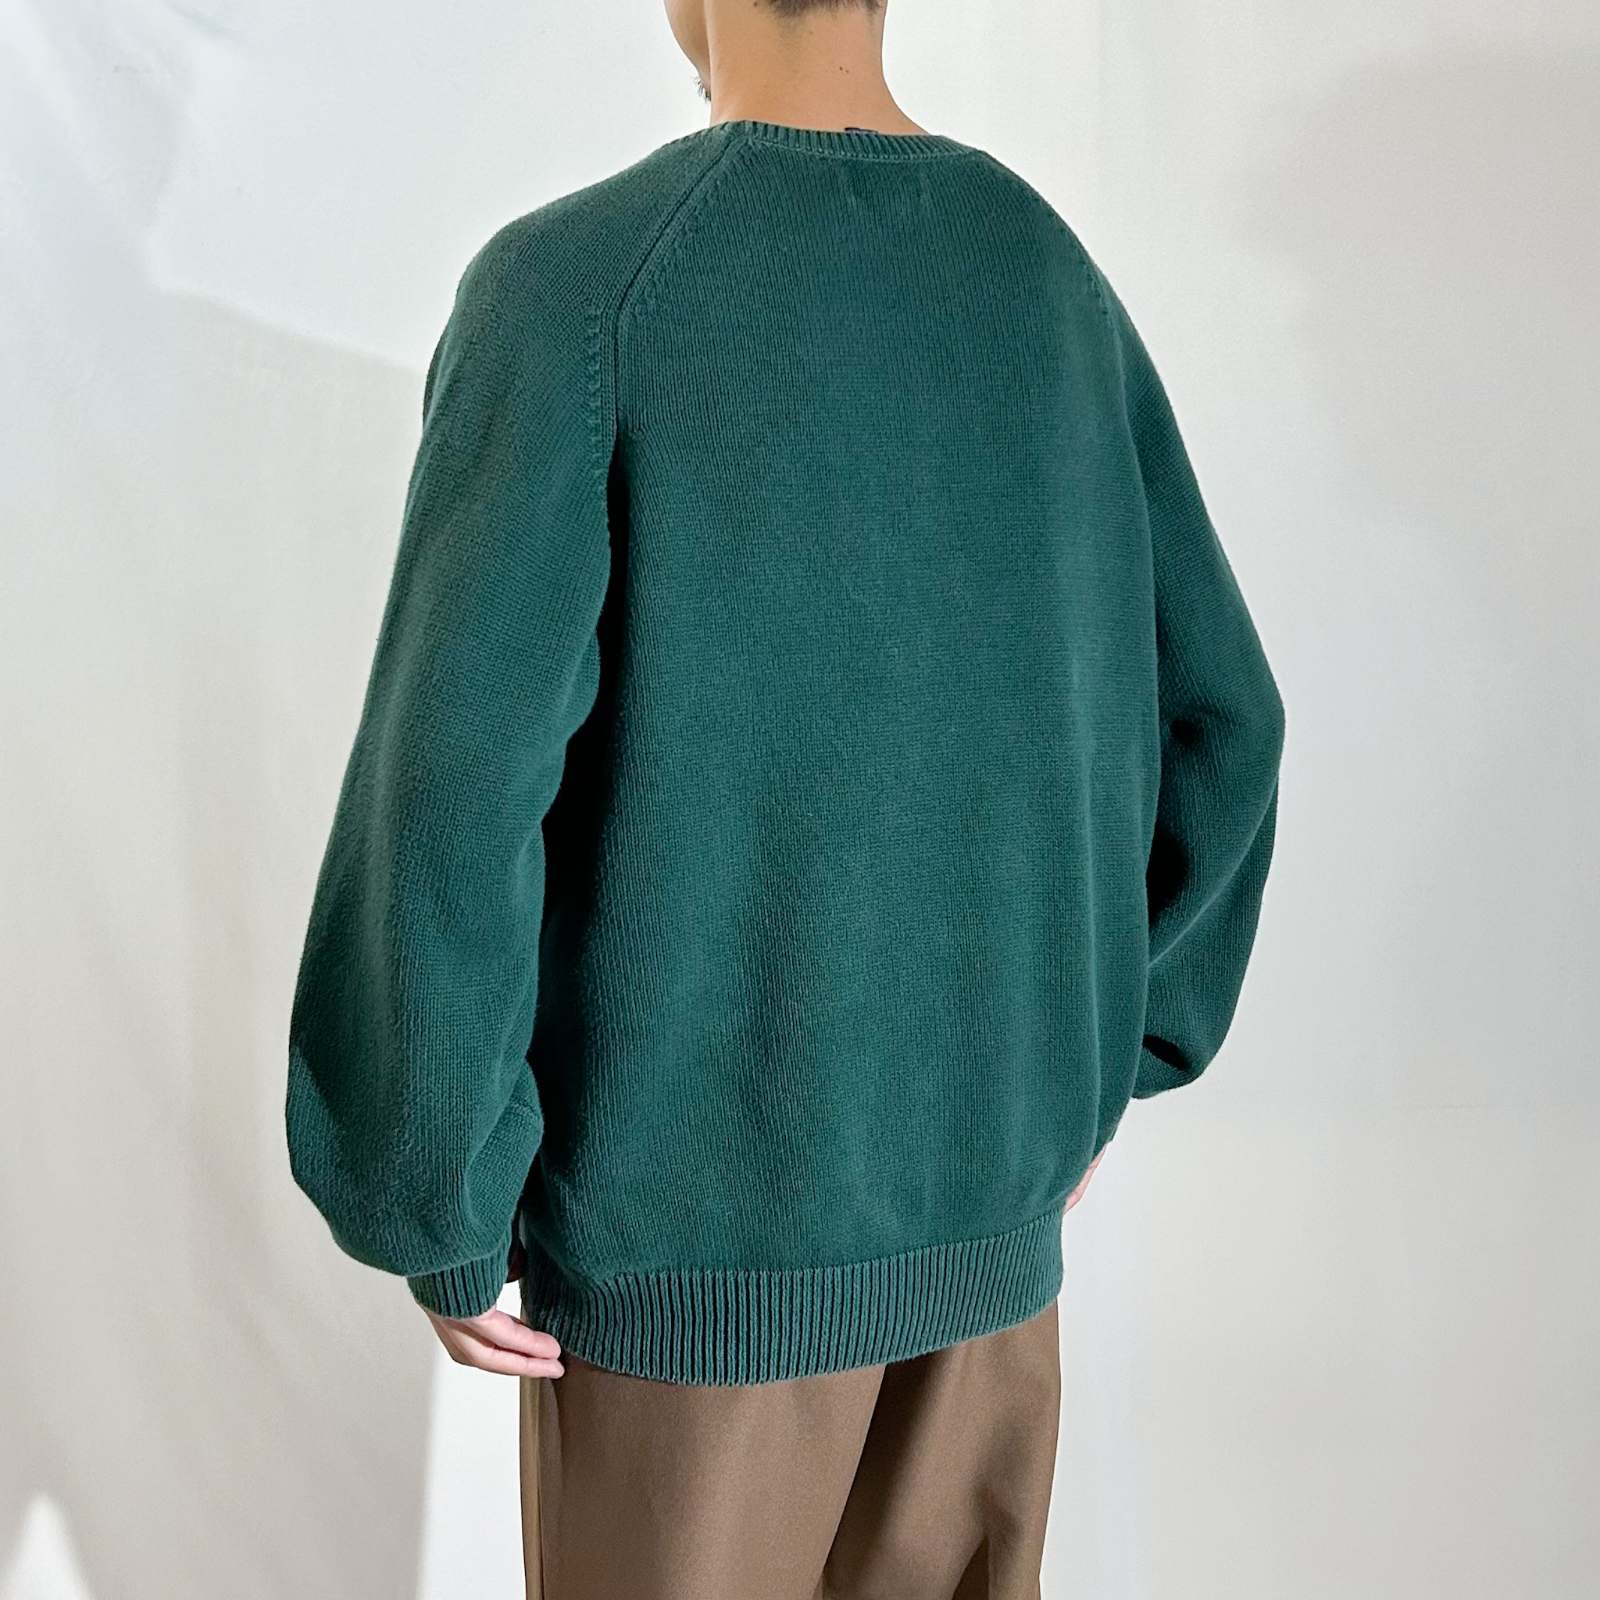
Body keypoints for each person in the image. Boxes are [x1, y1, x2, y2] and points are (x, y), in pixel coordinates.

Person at [285, 0, 1286, 1593]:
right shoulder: (1047, 280)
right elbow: (1226, 718)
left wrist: (440, 1193)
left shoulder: (578, 289)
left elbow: (455, 791)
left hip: (693, 1290)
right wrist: (1098, 1063)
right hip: (994, 1270)